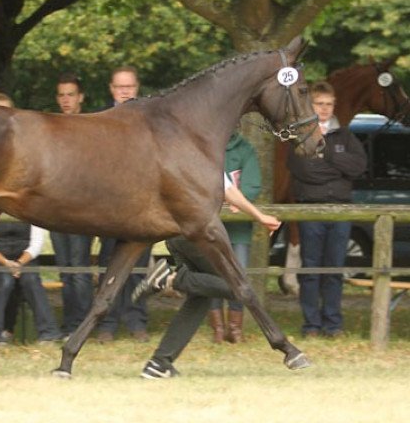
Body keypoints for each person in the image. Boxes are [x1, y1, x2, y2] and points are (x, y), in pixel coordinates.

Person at [133, 173, 281, 379]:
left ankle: (159, 363)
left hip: (176, 235)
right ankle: (171, 279)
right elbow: (229, 191)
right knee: (238, 287)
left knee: (200, 297)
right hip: (196, 234)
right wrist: (260, 216)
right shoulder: (201, 151)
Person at [288, 81, 367, 338]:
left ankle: (333, 324)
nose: (324, 108)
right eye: (319, 104)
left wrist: (329, 158)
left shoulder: (345, 135)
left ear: (334, 105)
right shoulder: (300, 135)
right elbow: (303, 171)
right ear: (311, 106)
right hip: (311, 209)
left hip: (341, 211)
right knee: (311, 269)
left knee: (335, 269)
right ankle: (311, 325)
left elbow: (359, 167)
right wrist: (339, 172)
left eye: (328, 104)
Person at [96, 66, 152, 343]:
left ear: (137, 88)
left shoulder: (150, 119)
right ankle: (105, 324)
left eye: (129, 87)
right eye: (120, 87)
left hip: (141, 207)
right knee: (109, 265)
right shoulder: (99, 121)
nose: (125, 92)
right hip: (108, 207)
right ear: (111, 90)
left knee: (139, 267)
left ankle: (137, 321)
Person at [49, 73, 94, 335]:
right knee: (65, 270)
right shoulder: (53, 127)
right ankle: (70, 323)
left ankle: (83, 325)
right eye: (61, 95)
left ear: (80, 98)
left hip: (81, 208)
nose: (66, 100)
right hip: (55, 207)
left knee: (79, 269)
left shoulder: (88, 126)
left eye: (70, 95)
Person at [208, 132, 261, 344]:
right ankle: (218, 329)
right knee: (212, 274)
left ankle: (235, 329)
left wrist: (240, 200)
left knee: (238, 275)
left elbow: (253, 184)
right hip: (210, 227)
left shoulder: (245, 149)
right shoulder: (207, 144)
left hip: (239, 228)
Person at [0, 220, 64, 344]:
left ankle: (49, 332)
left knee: (31, 280)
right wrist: (6, 263)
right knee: (4, 280)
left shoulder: (31, 213)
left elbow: (36, 244)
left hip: (24, 262)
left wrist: (19, 263)